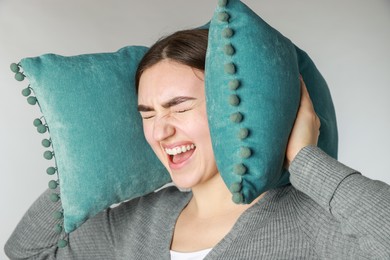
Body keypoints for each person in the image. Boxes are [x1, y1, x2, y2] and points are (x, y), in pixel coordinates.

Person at [4, 29, 390, 259]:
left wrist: (306, 159)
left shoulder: (309, 218)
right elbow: (29, 252)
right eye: (148, 114)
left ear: (230, 111)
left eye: (179, 107)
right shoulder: (136, 222)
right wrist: (86, 168)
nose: (160, 131)